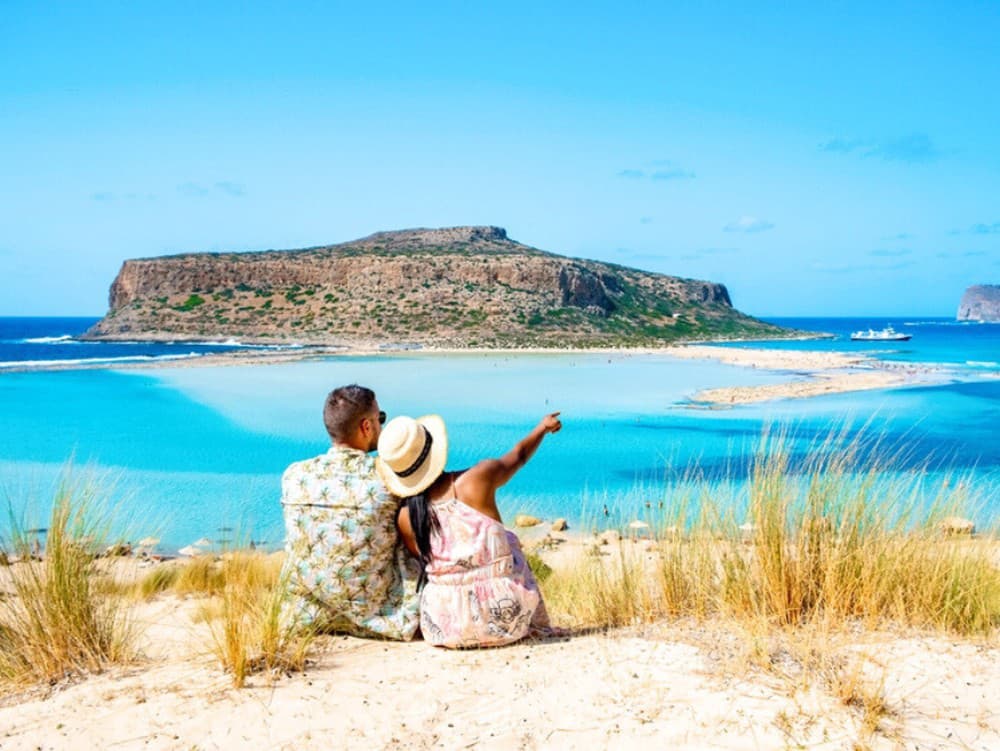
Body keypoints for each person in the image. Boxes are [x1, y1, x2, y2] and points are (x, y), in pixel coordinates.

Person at [377, 411, 562, 648]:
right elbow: (518, 455)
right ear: (434, 451)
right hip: (506, 619)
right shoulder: (477, 479)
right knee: (508, 540)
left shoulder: (405, 516)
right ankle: (534, 621)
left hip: (443, 627)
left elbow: (423, 560)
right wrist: (542, 428)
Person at [279, 384, 420, 639]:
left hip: (304, 616)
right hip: (380, 617)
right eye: (381, 419)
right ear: (366, 427)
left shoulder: (294, 475)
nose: (382, 426)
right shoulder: (387, 478)